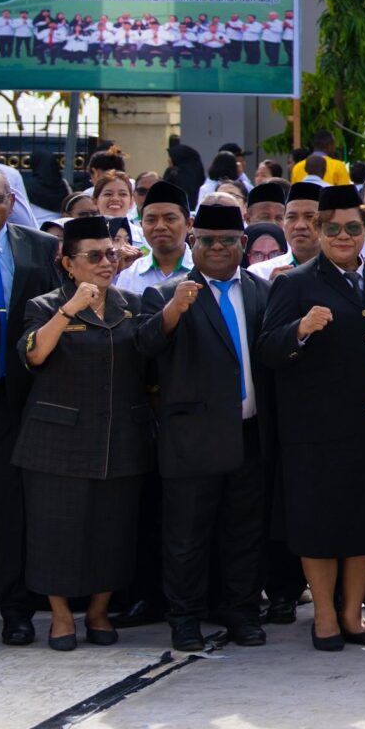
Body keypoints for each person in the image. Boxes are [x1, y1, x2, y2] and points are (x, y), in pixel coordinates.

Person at [12, 218, 159, 650]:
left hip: (120, 438)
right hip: (57, 440)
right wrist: (69, 309)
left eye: (111, 253)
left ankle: (98, 611)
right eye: (93, 256)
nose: (105, 263)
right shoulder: (45, 305)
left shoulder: (132, 304)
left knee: (112, 532)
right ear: (67, 264)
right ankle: (60, 616)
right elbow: (34, 353)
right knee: (55, 531)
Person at [136, 203, 269, 652]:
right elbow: (148, 344)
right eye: (207, 240)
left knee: (243, 532)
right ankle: (185, 618)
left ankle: (242, 613)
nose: (217, 248)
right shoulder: (167, 293)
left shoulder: (258, 290)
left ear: (242, 245)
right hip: (193, 438)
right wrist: (174, 310)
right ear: (192, 243)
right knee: (186, 538)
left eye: (227, 240)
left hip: (249, 432)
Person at [0, 163, 58, 645]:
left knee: (12, 506)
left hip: (19, 398)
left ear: (10, 200)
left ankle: (17, 609)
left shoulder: (38, 246)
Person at [117, 179, 194, 294]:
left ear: (189, 224)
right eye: (151, 220)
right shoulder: (129, 275)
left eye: (170, 219)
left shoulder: (202, 270)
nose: (160, 226)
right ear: (142, 225)